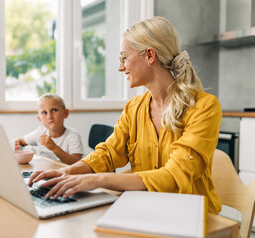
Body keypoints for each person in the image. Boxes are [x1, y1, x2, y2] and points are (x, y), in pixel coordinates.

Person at [28, 16, 222, 214]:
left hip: (192, 217)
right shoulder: (134, 108)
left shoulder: (204, 107)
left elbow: (175, 175)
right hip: (144, 210)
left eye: (124, 58)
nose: (120, 67)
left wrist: (97, 180)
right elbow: (108, 153)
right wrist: (66, 172)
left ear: (149, 55)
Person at [14, 93, 84, 165]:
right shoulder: (40, 132)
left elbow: (77, 163)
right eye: (44, 112)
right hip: (44, 172)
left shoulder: (73, 136)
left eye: (54, 110)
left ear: (65, 113)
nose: (49, 116)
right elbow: (20, 141)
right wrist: (15, 146)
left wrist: (54, 148)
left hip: (65, 174)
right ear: (39, 119)